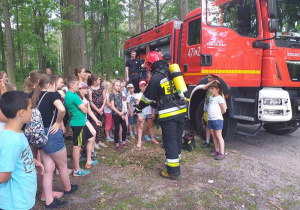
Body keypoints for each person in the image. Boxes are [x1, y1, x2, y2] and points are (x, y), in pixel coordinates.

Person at [135, 51, 187, 180]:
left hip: (168, 114)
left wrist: (139, 107)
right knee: (176, 139)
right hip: (181, 111)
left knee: (169, 142)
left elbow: (147, 98)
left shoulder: (156, 78)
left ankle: (173, 171)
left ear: (151, 65)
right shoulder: (172, 73)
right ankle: (176, 159)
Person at [31, 74, 78, 209]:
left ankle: (49, 200)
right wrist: (58, 122)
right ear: (50, 84)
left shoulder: (35, 96)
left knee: (48, 168)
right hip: (52, 134)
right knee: (62, 165)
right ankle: (68, 188)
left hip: (40, 135)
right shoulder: (52, 95)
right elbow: (62, 109)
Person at [0, 91, 44, 210]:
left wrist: (31, 160)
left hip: (22, 198)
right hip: (15, 203)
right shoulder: (11, 141)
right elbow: (3, 176)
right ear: (22, 113)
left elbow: (17, 154)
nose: (33, 111)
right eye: (31, 108)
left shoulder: (17, 132)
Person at [64, 76, 93, 176]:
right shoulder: (73, 96)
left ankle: (88, 160)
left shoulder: (70, 95)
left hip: (80, 122)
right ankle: (77, 169)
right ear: (71, 85)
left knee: (90, 138)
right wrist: (85, 106)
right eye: (77, 84)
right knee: (77, 146)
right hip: (78, 124)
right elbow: (85, 110)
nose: (78, 86)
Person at [78, 82, 102, 165]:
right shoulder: (78, 98)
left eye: (86, 88)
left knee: (93, 133)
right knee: (81, 140)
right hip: (80, 121)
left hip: (85, 120)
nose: (86, 90)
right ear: (79, 89)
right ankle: (82, 155)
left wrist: (96, 120)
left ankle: (91, 152)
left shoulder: (85, 98)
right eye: (84, 88)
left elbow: (90, 111)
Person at [207, 81, 227, 160]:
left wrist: (218, 115)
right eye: (210, 88)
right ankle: (217, 150)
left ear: (217, 89)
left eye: (212, 89)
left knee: (218, 136)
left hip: (217, 119)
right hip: (210, 119)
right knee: (213, 135)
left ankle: (222, 152)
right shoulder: (211, 97)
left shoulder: (220, 98)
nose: (210, 90)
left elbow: (224, 110)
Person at [136, 81, 158, 148]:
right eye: (142, 86)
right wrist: (139, 115)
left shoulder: (149, 94)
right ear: (140, 87)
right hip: (142, 112)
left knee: (151, 125)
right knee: (141, 126)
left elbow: (153, 104)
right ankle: (139, 140)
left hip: (149, 112)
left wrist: (153, 113)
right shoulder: (139, 95)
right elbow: (137, 106)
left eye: (145, 86)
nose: (143, 87)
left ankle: (152, 138)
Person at [110, 79, 130, 152]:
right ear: (113, 86)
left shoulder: (121, 93)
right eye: (117, 85)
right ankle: (117, 144)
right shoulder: (112, 94)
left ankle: (123, 142)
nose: (118, 87)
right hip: (116, 114)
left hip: (121, 113)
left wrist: (122, 112)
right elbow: (112, 106)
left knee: (124, 126)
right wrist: (119, 113)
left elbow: (123, 103)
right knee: (117, 128)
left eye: (119, 85)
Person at [88, 74, 107, 148]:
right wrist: (97, 110)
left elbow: (104, 98)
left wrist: (102, 108)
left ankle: (99, 140)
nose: (100, 80)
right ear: (94, 81)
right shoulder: (90, 89)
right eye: (99, 79)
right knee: (94, 125)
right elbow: (90, 101)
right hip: (94, 110)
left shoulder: (102, 87)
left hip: (101, 109)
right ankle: (94, 141)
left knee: (100, 125)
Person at [201, 74, 219, 149]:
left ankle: (216, 145)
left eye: (210, 77)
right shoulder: (209, 84)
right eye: (208, 77)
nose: (208, 78)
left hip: (213, 107)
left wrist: (213, 82)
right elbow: (203, 88)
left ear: (215, 78)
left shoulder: (216, 84)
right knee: (207, 125)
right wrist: (211, 82)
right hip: (207, 106)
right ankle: (207, 141)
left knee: (213, 126)